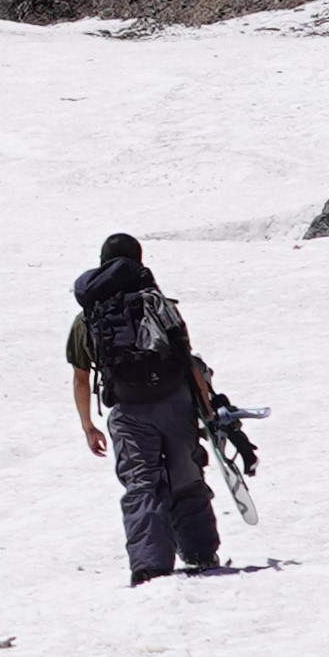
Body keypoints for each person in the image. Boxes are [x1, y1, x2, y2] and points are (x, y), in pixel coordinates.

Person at [67, 232, 232, 583]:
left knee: (142, 485)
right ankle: (201, 554)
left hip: (129, 412)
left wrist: (88, 426)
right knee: (186, 479)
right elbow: (187, 361)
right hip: (175, 403)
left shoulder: (89, 317)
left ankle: (150, 567)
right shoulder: (157, 303)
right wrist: (206, 411)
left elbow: (82, 378)